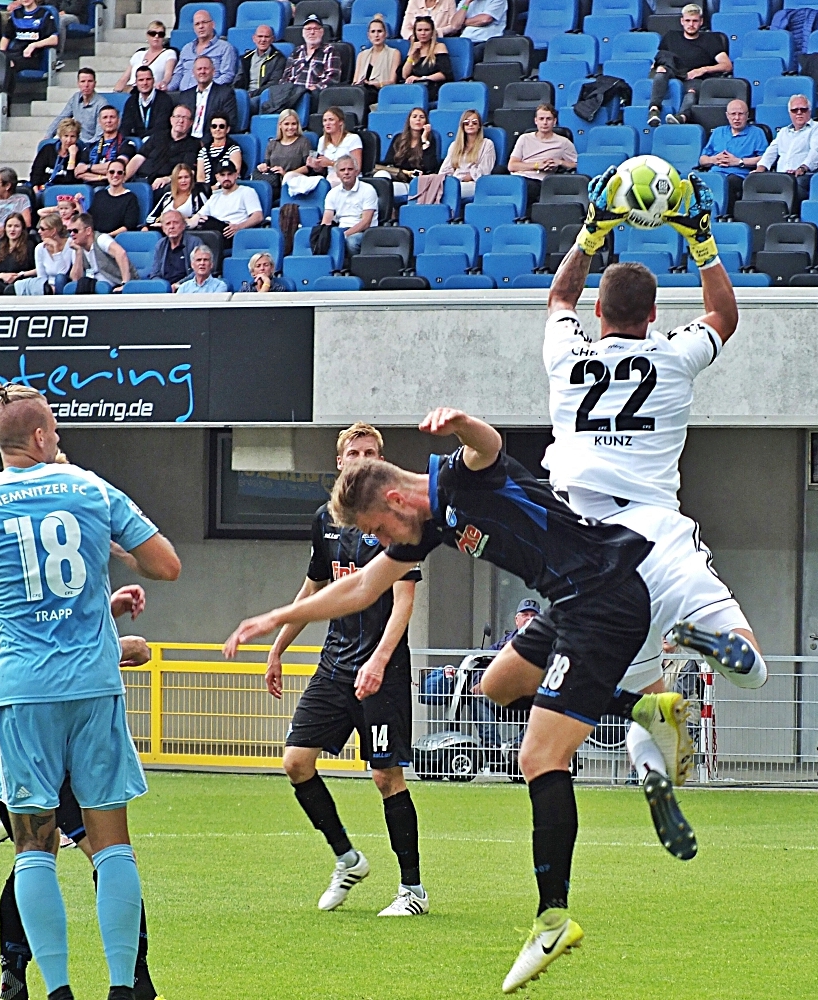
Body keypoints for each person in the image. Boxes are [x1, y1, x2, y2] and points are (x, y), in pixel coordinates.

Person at [223, 405, 659, 994]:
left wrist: (461, 421)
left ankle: (552, 919)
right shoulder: (427, 525)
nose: (376, 543)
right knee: (496, 685)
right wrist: (280, 615)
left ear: (395, 502)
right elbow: (359, 587)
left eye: (376, 530)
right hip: (566, 601)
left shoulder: (458, 477)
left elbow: (488, 445)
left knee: (539, 759)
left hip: (603, 595)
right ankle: (645, 707)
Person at [545, 171, 770, 856]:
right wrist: (698, 237)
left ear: (600, 313)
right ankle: (696, 640)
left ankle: (649, 771)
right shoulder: (671, 355)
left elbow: (558, 295)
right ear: (649, 317)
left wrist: (592, 231)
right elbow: (725, 318)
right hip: (658, 538)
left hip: (585, 546)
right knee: (753, 668)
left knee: (638, 689)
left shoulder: (566, 355)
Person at [0, 382, 180, 1000]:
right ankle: (125, 987)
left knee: (33, 845)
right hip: (94, 685)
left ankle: (55, 989)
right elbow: (166, 565)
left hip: (22, 690)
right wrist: (111, 555)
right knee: (111, 844)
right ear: (44, 436)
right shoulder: (89, 487)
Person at [255, 424, 429, 917]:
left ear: (380, 464)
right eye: (352, 453)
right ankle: (347, 859)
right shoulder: (324, 521)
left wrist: (378, 660)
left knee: (385, 776)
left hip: (382, 670)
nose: (359, 459)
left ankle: (412, 890)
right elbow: (312, 589)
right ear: (339, 463)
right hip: (334, 665)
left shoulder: (397, 519)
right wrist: (278, 647)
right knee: (295, 762)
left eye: (369, 453)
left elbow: (404, 600)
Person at [647, 4, 731, 127]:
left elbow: (727, 65)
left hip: (695, 78)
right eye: (687, 20)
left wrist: (703, 70)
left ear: (701, 21)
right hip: (673, 72)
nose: (691, 24)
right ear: (682, 21)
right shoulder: (671, 37)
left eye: (695, 21)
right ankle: (654, 110)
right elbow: (660, 58)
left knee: (692, 91)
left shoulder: (711, 40)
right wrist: (656, 67)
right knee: (661, 72)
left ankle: (681, 117)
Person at [754, 95, 818, 201]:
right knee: (754, 182)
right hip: (781, 176)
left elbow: (816, 153)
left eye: (803, 109)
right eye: (795, 110)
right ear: (790, 113)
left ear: (809, 111)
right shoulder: (783, 132)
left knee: (793, 185)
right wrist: (760, 168)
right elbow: (770, 152)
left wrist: (802, 168)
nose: (799, 113)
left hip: (805, 175)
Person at [698, 99, 766, 205]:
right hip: (715, 174)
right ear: (727, 115)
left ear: (747, 115)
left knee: (727, 183)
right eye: (733, 114)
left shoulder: (757, 133)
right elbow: (702, 160)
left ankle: (723, 217)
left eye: (741, 114)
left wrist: (739, 161)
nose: (737, 118)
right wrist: (714, 159)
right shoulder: (718, 132)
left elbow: (765, 159)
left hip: (739, 176)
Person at [190, 161, 263, 246]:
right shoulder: (215, 196)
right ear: (217, 177)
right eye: (222, 175)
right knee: (198, 222)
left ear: (236, 175)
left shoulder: (246, 191)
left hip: (234, 233)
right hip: (214, 233)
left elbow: (258, 216)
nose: (226, 178)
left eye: (229, 174)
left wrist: (239, 227)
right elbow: (197, 217)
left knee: (204, 221)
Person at [129, 104, 201, 190]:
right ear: (171, 120)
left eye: (185, 118)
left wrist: (167, 179)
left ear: (191, 123)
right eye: (177, 116)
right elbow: (139, 158)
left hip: (164, 185)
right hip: (139, 180)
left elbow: (187, 171)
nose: (181, 120)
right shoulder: (157, 136)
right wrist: (124, 177)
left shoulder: (194, 144)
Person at [507, 103, 576, 191]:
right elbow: (512, 166)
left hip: (539, 181)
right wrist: (536, 165)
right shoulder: (524, 138)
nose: (545, 122)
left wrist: (560, 162)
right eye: (541, 119)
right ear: (536, 121)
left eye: (549, 119)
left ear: (554, 121)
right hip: (517, 178)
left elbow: (576, 164)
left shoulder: (564, 142)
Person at [374, 105, 436, 198]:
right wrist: (404, 172)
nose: (418, 119)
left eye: (421, 117)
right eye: (414, 116)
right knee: (381, 175)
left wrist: (424, 140)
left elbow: (429, 166)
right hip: (396, 177)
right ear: (409, 121)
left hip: (412, 183)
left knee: (387, 188)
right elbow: (388, 163)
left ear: (426, 122)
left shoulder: (430, 140)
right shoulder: (399, 139)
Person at [176, 54, 238, 142]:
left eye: (206, 68)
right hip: (186, 143)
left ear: (213, 71)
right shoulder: (185, 95)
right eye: (199, 69)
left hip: (211, 142)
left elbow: (229, 122)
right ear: (193, 73)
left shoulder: (225, 93)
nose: (202, 72)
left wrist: (204, 142)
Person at [323, 156, 378, 255]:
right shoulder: (332, 193)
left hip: (365, 232)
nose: (346, 172)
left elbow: (366, 222)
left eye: (350, 169)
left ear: (356, 172)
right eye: (342, 170)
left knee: (351, 242)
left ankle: (355, 269)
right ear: (337, 174)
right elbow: (326, 221)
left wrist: (343, 235)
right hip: (341, 229)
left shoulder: (368, 190)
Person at [0, 0, 57, 94]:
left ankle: (5, 102)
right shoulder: (16, 13)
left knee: (8, 66)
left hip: (32, 57)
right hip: (14, 54)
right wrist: (2, 54)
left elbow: (54, 39)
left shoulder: (45, 13)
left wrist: (33, 45)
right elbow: (6, 37)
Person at [171, 7, 236, 90]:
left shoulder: (225, 48)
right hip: (183, 95)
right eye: (197, 24)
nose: (201, 26)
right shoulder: (186, 48)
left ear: (213, 24)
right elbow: (178, 74)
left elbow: (227, 76)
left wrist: (206, 89)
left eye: (204, 22)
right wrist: (167, 88)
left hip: (210, 95)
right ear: (194, 28)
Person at [438, 108, 495, 199]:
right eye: (466, 123)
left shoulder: (487, 144)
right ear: (462, 126)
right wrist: (456, 179)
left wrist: (464, 177)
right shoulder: (454, 145)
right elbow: (444, 171)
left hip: (474, 184)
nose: (470, 125)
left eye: (474, 122)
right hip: (455, 182)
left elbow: (484, 172)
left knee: (451, 192)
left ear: (479, 125)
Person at [254, 108, 312, 196]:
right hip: (274, 182)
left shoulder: (303, 142)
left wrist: (286, 174)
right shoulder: (272, 143)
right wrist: (263, 167)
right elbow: (267, 164)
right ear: (280, 125)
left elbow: (308, 167)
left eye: (293, 124)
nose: (290, 127)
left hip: (294, 182)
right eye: (286, 124)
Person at [67, 209, 130, 290]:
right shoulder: (76, 246)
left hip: (115, 281)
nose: (72, 234)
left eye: (75, 231)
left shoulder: (101, 239)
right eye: (70, 231)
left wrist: (125, 283)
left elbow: (121, 253)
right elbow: (75, 278)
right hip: (95, 281)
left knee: (98, 287)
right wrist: (78, 253)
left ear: (88, 231)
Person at [75, 106, 137, 184]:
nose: (108, 120)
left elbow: (117, 168)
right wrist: (103, 177)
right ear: (99, 121)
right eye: (105, 117)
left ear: (118, 120)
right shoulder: (91, 146)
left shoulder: (127, 144)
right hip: (89, 187)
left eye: (112, 117)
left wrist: (88, 167)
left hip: (113, 188)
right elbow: (78, 172)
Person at [0, 213, 37, 292]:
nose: (12, 229)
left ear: (22, 228)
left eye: (16, 226)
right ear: (5, 228)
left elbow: (38, 270)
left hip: (20, 283)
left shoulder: (30, 244)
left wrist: (19, 275)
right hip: (0, 283)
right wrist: (1, 276)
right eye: (9, 226)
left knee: (11, 288)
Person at [44, 68, 107, 144]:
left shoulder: (101, 104)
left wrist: (84, 146)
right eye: (83, 81)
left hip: (90, 145)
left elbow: (99, 136)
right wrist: (48, 136)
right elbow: (62, 117)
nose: (86, 85)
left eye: (90, 81)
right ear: (78, 84)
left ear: (95, 83)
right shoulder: (75, 98)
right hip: (73, 141)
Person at [15, 212, 73, 294]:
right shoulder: (39, 248)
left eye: (42, 229)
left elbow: (61, 272)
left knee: (60, 278)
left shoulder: (71, 244)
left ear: (53, 231)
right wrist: (48, 288)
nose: (38, 231)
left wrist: (56, 247)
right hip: (48, 286)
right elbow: (41, 277)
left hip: (65, 282)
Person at [280, 14, 340, 93]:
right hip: (291, 95)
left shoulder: (330, 51)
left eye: (316, 29)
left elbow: (333, 79)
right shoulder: (296, 51)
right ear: (303, 33)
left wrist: (311, 89)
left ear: (322, 32)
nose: (312, 32)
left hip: (313, 95)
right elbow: (285, 78)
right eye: (308, 29)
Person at [115, 20, 176, 91]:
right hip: (131, 89)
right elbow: (124, 77)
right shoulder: (138, 54)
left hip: (151, 89)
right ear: (147, 35)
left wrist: (163, 83)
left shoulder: (169, 53)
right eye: (152, 33)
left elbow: (168, 74)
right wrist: (116, 91)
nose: (156, 36)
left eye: (160, 34)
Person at [313, 105, 366, 187]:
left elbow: (357, 169)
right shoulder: (322, 140)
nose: (327, 123)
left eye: (331, 120)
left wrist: (331, 163)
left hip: (349, 179)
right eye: (325, 120)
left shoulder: (353, 138)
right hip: (330, 178)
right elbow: (321, 169)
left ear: (340, 122)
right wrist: (316, 166)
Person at [401, 15, 450, 102]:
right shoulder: (413, 49)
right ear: (415, 32)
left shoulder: (439, 47)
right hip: (414, 88)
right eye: (419, 30)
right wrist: (412, 54)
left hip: (433, 87)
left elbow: (444, 74)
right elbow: (404, 75)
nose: (423, 33)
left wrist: (422, 78)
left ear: (432, 32)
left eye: (426, 30)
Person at [236, 23, 287, 107]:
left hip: (262, 97)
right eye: (260, 36)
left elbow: (273, 84)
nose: (263, 40)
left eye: (266, 37)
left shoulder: (279, 59)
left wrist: (252, 94)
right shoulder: (246, 58)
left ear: (272, 39)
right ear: (254, 38)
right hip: (245, 95)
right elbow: (238, 79)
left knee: (245, 105)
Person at [147, 207, 201, 285]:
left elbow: (198, 271)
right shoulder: (160, 244)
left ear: (183, 225)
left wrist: (179, 284)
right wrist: (163, 286)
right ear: (163, 228)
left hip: (188, 287)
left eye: (175, 223)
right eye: (168, 223)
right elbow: (155, 273)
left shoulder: (194, 242)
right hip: (165, 289)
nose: (171, 226)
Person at [353, 14, 400, 103]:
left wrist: (378, 84)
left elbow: (392, 81)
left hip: (380, 92)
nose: (376, 35)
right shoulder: (361, 55)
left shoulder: (394, 53)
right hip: (361, 92)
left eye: (379, 31)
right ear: (368, 35)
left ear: (385, 34)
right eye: (373, 32)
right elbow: (354, 82)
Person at [121, 65, 174, 143]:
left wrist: (142, 138)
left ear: (153, 80)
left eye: (148, 79)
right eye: (141, 80)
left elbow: (162, 127)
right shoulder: (131, 101)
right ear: (136, 82)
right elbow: (126, 126)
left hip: (157, 141)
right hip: (136, 140)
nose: (145, 83)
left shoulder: (164, 99)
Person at [88, 158, 140, 235]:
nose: (115, 175)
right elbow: (89, 219)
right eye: (112, 172)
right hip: (95, 236)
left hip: (116, 238)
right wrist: (79, 205)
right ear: (107, 174)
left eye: (119, 172)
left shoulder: (131, 198)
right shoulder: (99, 195)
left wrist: (107, 236)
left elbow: (129, 226)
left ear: (124, 176)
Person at [144, 161, 205, 226]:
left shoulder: (198, 196)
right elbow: (149, 219)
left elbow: (204, 218)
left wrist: (182, 219)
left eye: (186, 177)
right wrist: (163, 219)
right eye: (179, 178)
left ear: (191, 179)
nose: (183, 181)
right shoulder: (167, 196)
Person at [30, 117, 84, 189]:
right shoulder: (47, 149)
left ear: (77, 138)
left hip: (65, 191)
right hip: (44, 189)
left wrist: (72, 156)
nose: (69, 140)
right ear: (60, 136)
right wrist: (36, 190)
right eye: (66, 136)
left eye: (72, 136)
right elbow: (36, 174)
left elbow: (71, 183)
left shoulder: (81, 153)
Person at [195, 113, 241, 185]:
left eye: (221, 126)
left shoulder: (233, 148)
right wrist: (204, 190)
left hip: (226, 187)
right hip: (207, 190)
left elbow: (235, 172)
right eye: (214, 126)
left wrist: (216, 187)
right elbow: (200, 177)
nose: (217, 129)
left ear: (227, 129)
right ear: (210, 129)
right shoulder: (203, 151)